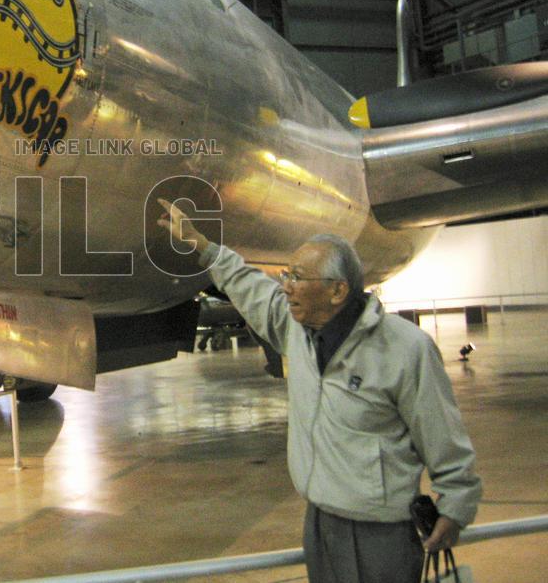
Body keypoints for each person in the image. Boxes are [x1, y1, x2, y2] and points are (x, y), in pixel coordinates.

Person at [157, 199, 482, 583]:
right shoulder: (296, 329)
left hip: (381, 531)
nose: (286, 286)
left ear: (337, 290)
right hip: (320, 520)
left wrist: (456, 505)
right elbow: (250, 287)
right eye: (287, 275)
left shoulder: (405, 349)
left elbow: (441, 432)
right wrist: (201, 245)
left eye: (297, 278)